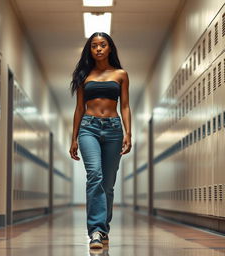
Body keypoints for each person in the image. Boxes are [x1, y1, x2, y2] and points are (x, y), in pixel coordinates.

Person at [69, 32, 132, 249]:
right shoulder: (83, 76)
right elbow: (79, 108)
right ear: (90, 50)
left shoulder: (121, 74)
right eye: (94, 46)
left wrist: (128, 133)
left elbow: (124, 105)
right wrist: (74, 138)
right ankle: (95, 230)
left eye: (102, 45)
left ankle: (103, 226)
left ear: (110, 48)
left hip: (114, 129)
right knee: (94, 174)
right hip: (89, 128)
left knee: (108, 183)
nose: (98, 49)